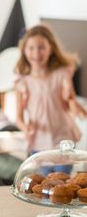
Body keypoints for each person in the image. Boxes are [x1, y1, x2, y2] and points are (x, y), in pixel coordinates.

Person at [15, 25, 87, 171]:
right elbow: (18, 117)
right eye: (31, 48)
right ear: (24, 50)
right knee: (44, 184)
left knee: (62, 182)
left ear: (51, 49)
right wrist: (25, 127)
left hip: (62, 139)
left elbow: (71, 103)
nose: (36, 53)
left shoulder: (61, 75)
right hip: (38, 141)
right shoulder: (22, 82)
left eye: (41, 47)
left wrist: (73, 101)